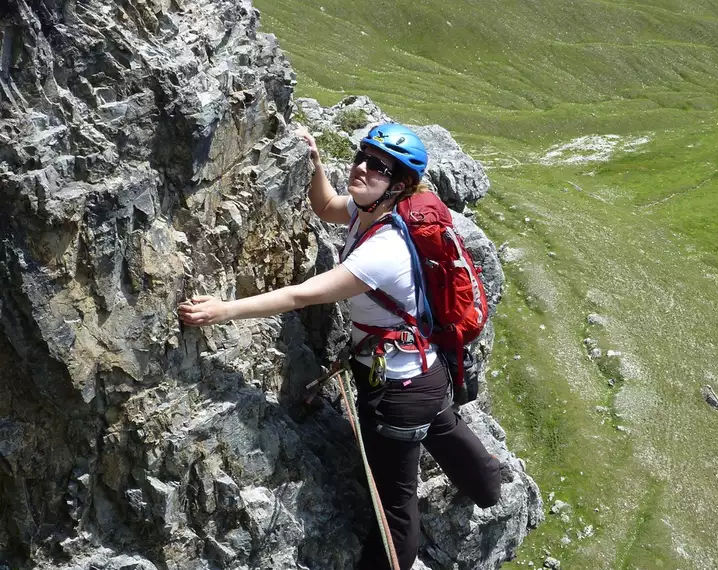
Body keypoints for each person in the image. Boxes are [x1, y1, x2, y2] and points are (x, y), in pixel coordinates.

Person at [178, 122, 502, 570]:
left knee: (393, 504)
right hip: (422, 375)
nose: (363, 168)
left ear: (399, 185)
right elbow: (325, 203)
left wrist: (223, 310)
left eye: (379, 166)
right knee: (443, 426)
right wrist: (314, 162)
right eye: (362, 158)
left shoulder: (384, 249)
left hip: (399, 390)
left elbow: (302, 294)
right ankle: (488, 489)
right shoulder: (370, 212)